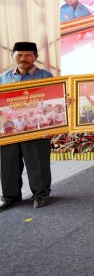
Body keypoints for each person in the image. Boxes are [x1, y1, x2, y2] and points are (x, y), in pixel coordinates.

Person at [0, 42, 54, 212]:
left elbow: (53, 100)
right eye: (19, 55)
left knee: (37, 163)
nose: (23, 59)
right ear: (13, 56)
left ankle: (41, 194)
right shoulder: (3, 78)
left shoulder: (45, 76)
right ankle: (10, 197)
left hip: (37, 129)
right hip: (10, 130)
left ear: (35, 57)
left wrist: (51, 128)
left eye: (28, 55)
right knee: (8, 164)